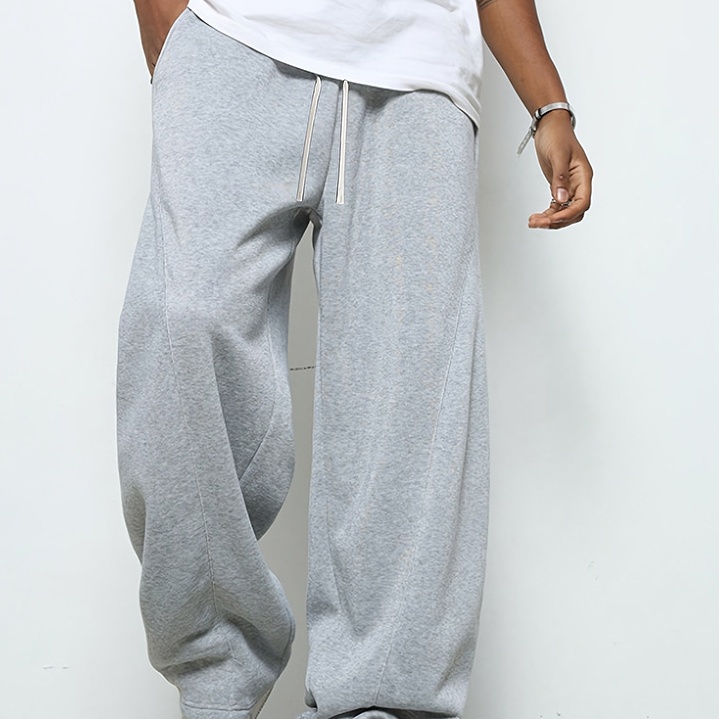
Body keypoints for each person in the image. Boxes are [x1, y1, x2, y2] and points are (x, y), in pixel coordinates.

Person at [117, 2, 593, 719]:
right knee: (180, 330)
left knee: (407, 408)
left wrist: (548, 105)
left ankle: (382, 702)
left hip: (418, 75)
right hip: (233, 37)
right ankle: (216, 684)